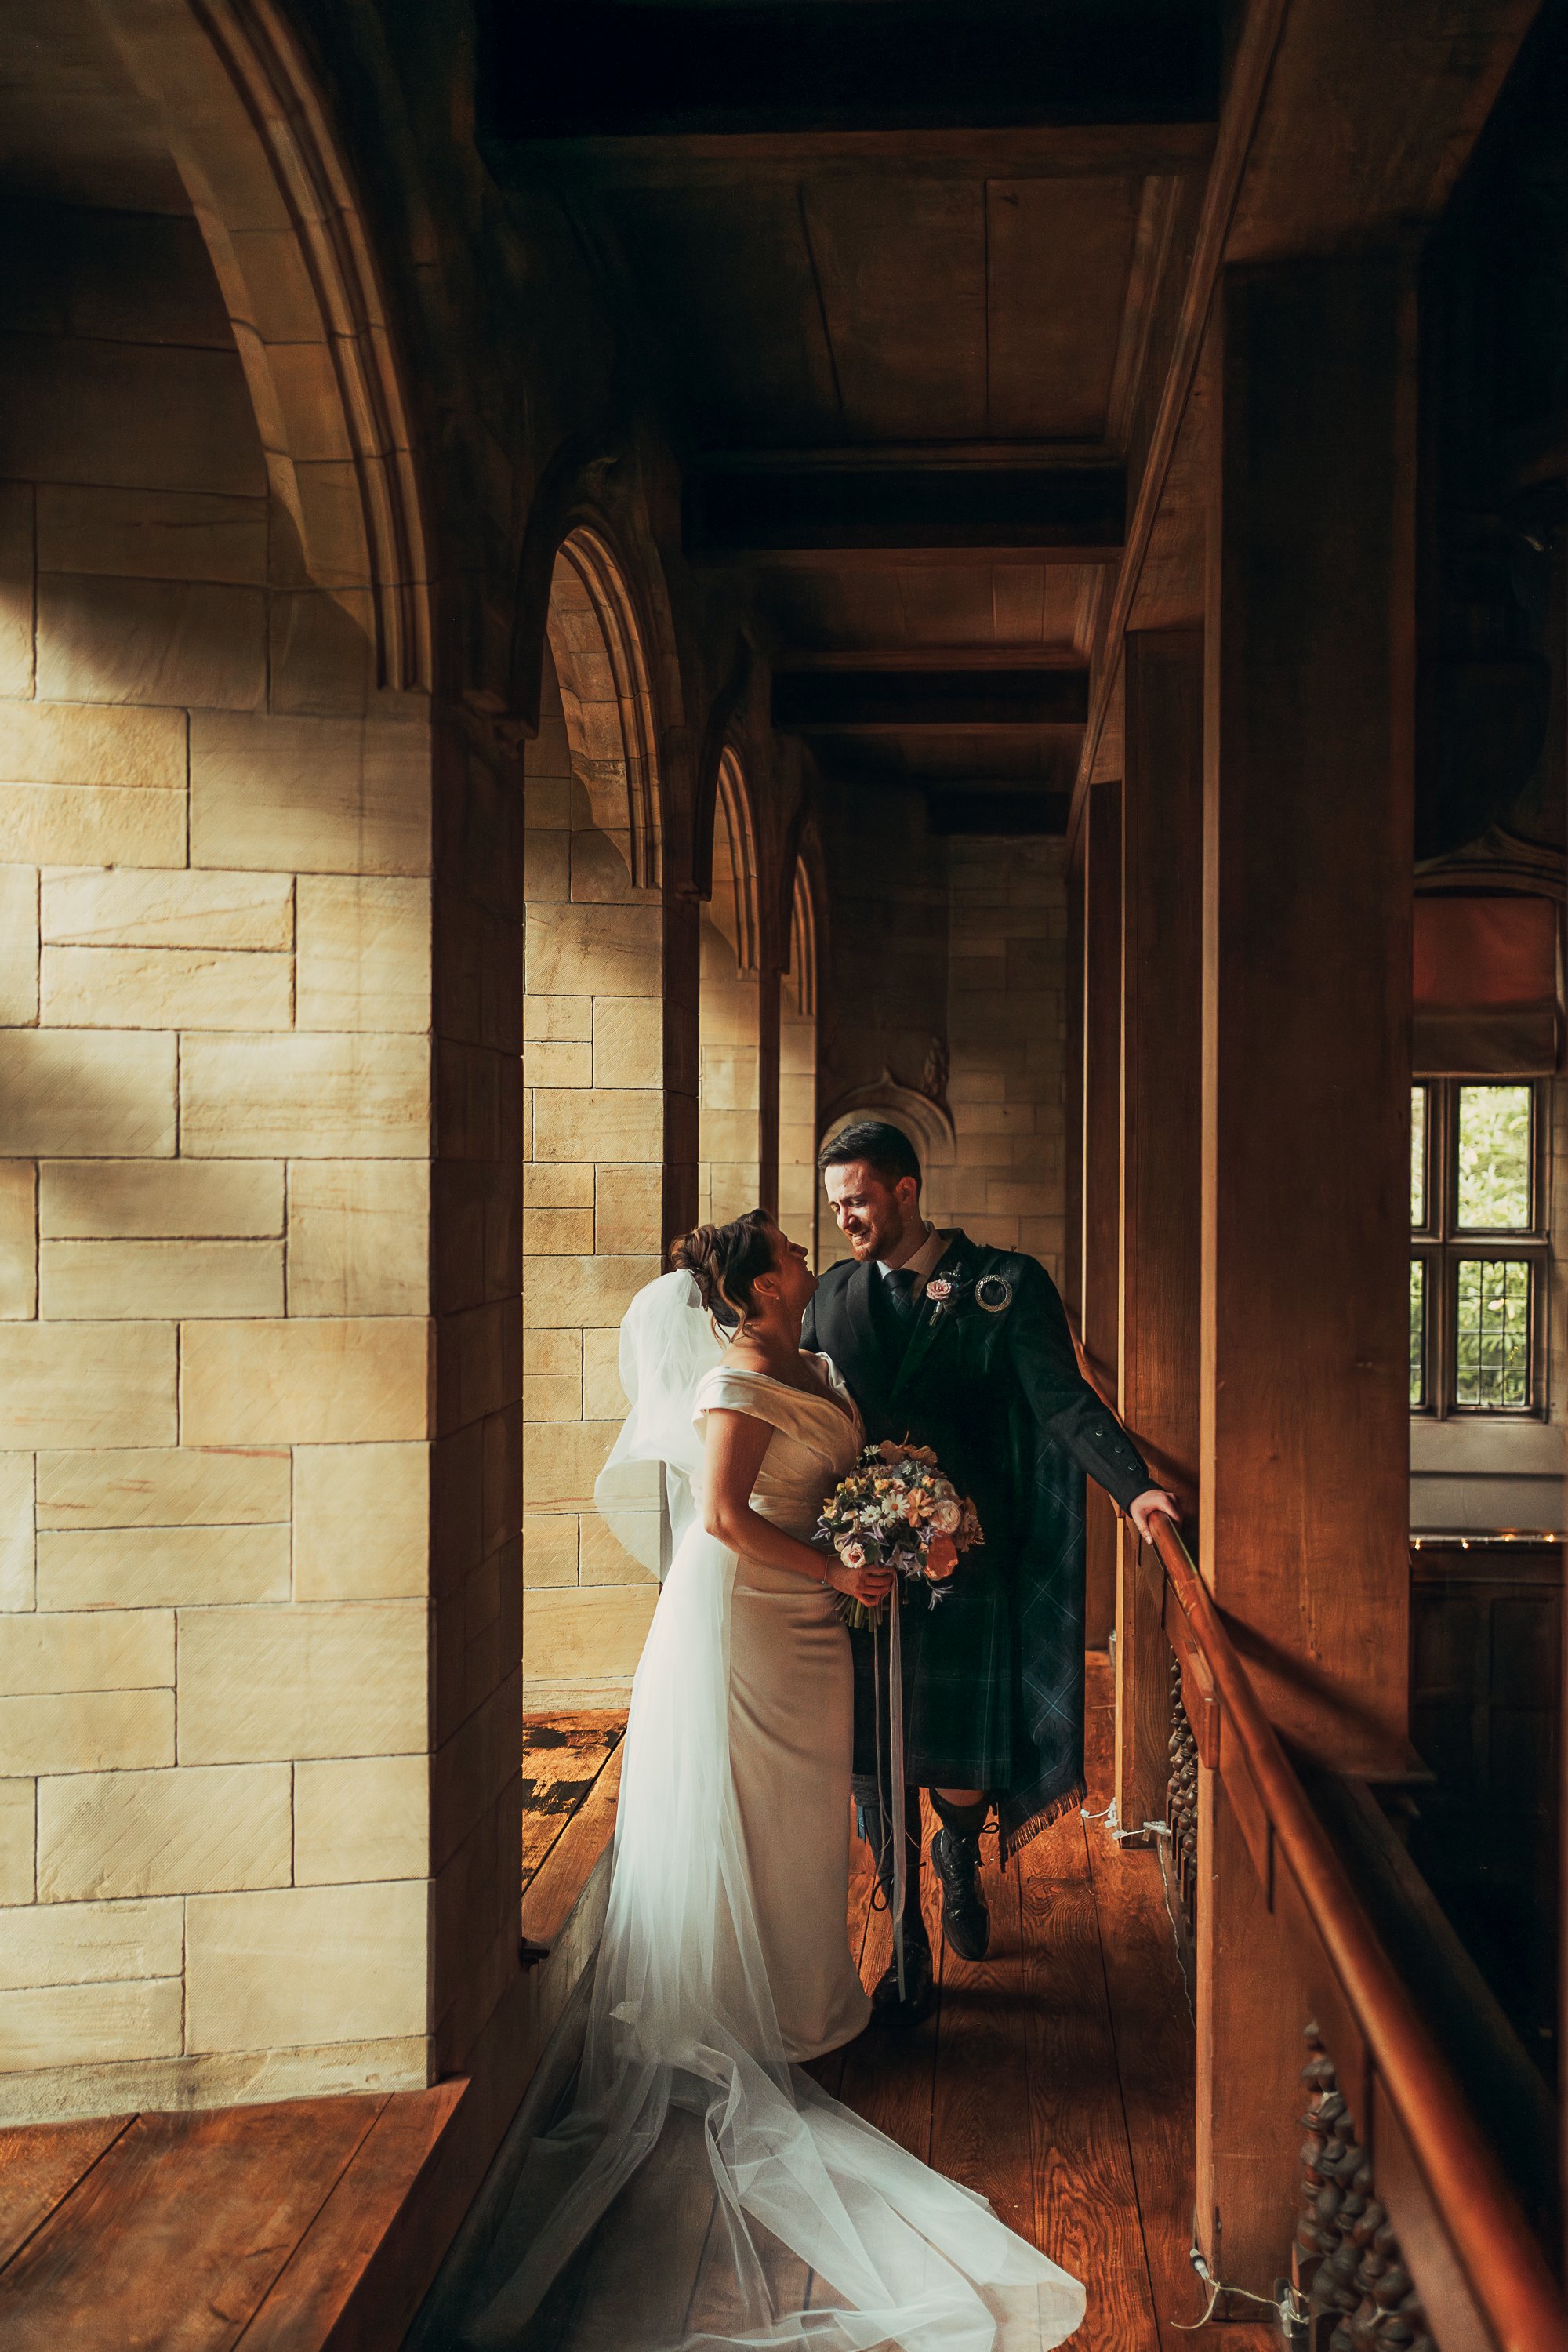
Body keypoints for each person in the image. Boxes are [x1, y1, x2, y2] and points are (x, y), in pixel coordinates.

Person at [456, 1210, 1086, 2352]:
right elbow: (723, 1521)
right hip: (749, 1618)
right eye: (788, 1250)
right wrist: (843, 1568)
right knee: (754, 1808)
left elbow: (840, 1476)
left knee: (801, 1819)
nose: (808, 1253)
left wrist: (896, 1524)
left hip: (813, 1618)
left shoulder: (819, 1362)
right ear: (756, 1290)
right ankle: (747, 2012)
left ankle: (807, 1997)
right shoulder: (735, 1388)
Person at [803, 1120, 1180, 2027]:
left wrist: (1136, 1493)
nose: (845, 1219)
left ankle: (958, 1852)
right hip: (863, 1568)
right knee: (872, 1752)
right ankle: (905, 1947)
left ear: (905, 1189)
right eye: (834, 1206)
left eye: (856, 1200)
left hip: (968, 1565)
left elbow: (1062, 1403)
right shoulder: (829, 1295)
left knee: (960, 1758)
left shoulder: (1002, 1285)